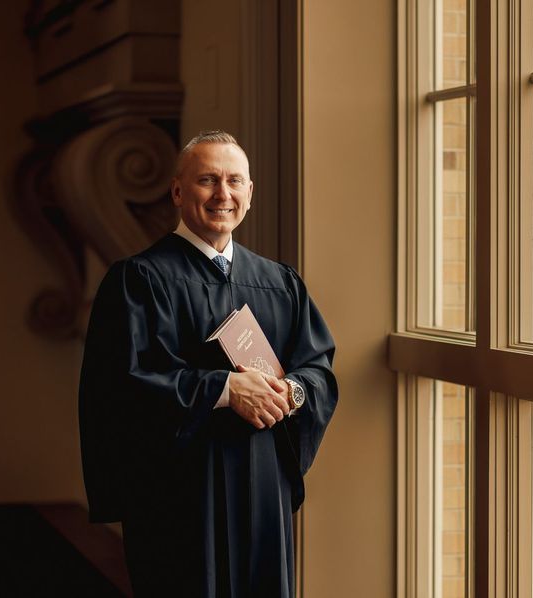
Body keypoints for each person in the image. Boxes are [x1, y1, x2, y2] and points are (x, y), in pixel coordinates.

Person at [79, 130, 338, 598]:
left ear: (250, 193)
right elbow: (119, 386)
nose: (223, 194)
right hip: (179, 494)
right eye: (208, 180)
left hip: (263, 488)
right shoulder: (138, 280)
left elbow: (318, 367)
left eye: (235, 181)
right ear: (178, 191)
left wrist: (293, 392)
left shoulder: (279, 282)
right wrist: (224, 389)